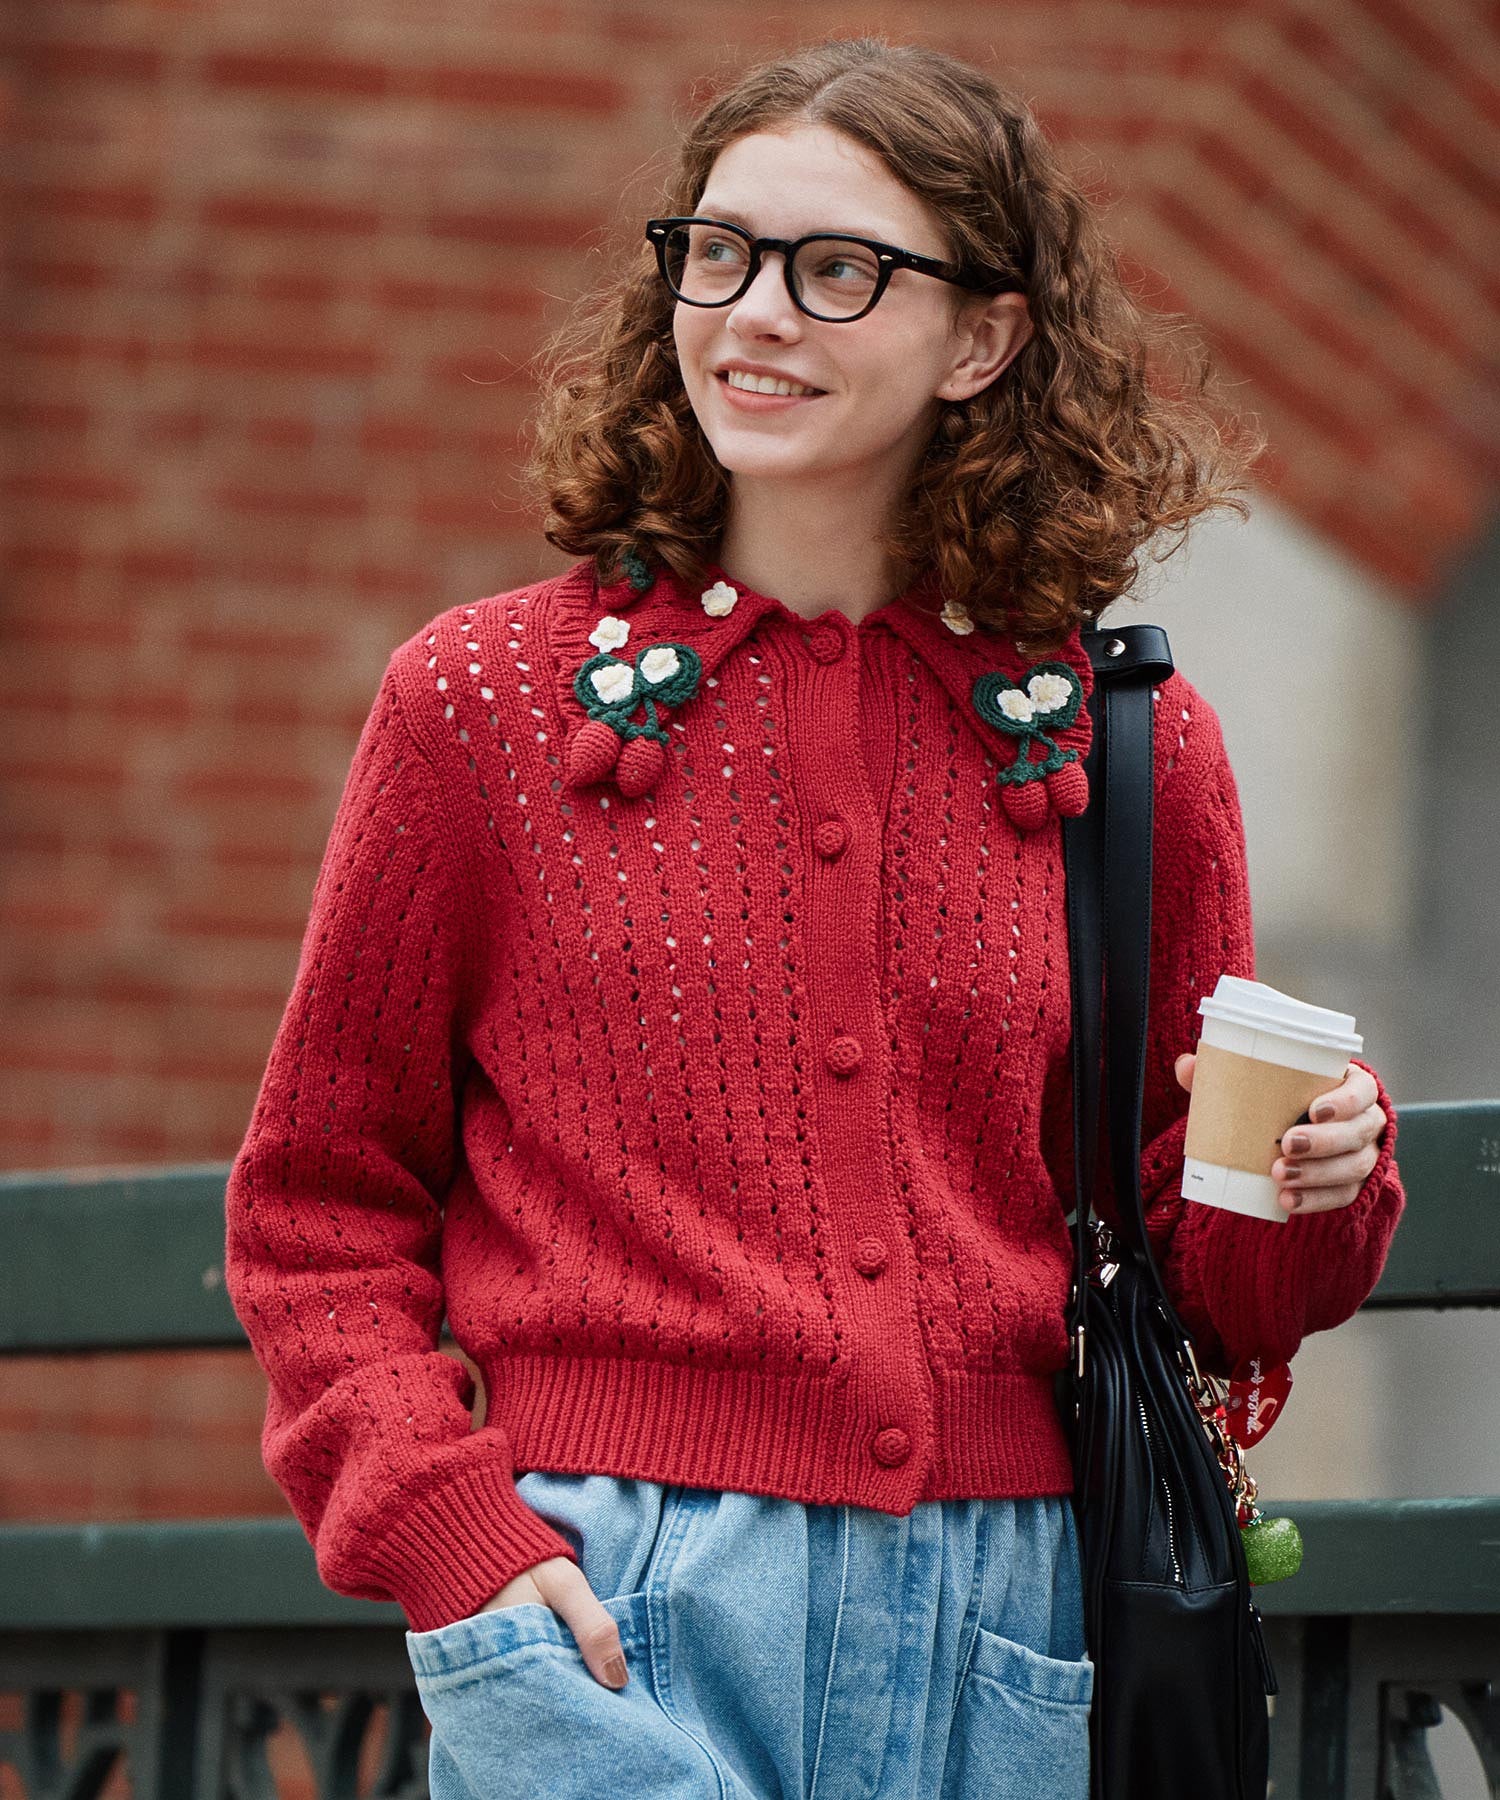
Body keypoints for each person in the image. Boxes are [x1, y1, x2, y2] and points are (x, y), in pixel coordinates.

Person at [223, 36, 1405, 1799]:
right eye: (719, 253)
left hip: (1014, 1623)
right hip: (607, 1607)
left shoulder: (1130, 742)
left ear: (984, 339)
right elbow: (318, 1210)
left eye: (838, 270)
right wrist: (452, 1529)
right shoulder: (478, 703)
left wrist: (1320, 1179)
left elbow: (1209, 1282)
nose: (756, 314)